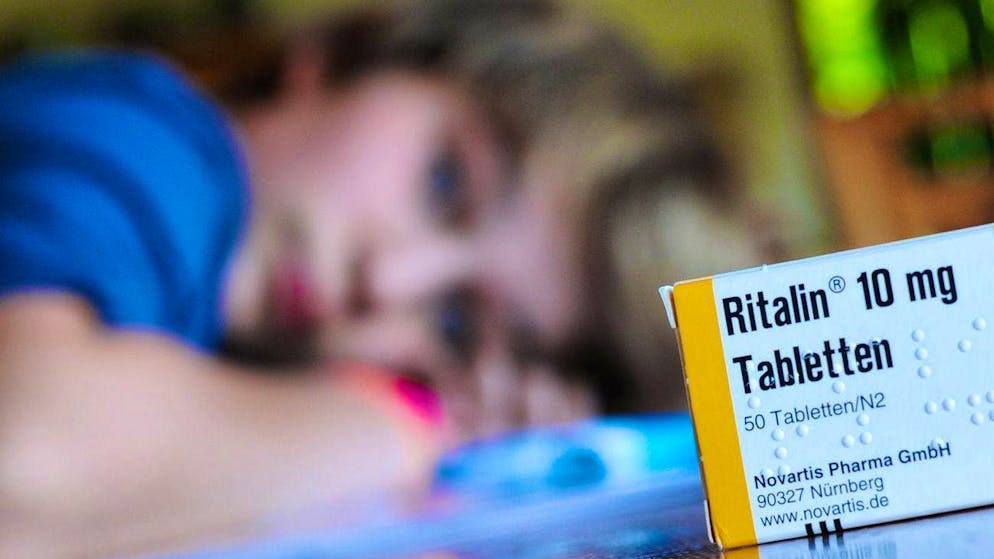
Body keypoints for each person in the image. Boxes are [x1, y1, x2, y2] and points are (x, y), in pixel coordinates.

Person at [0, 0, 774, 555]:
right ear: (352, 52)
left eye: (456, 325)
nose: (389, 283)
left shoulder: (225, 355)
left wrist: (492, 481)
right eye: (443, 183)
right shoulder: (153, 137)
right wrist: (412, 429)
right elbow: (25, 462)